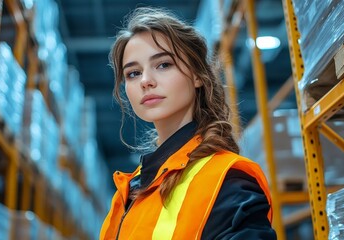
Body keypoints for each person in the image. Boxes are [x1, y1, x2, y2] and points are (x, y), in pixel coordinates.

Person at [100, 7, 277, 240]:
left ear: (197, 76)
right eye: (133, 73)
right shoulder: (131, 189)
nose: (145, 81)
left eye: (163, 65)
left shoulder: (228, 180)